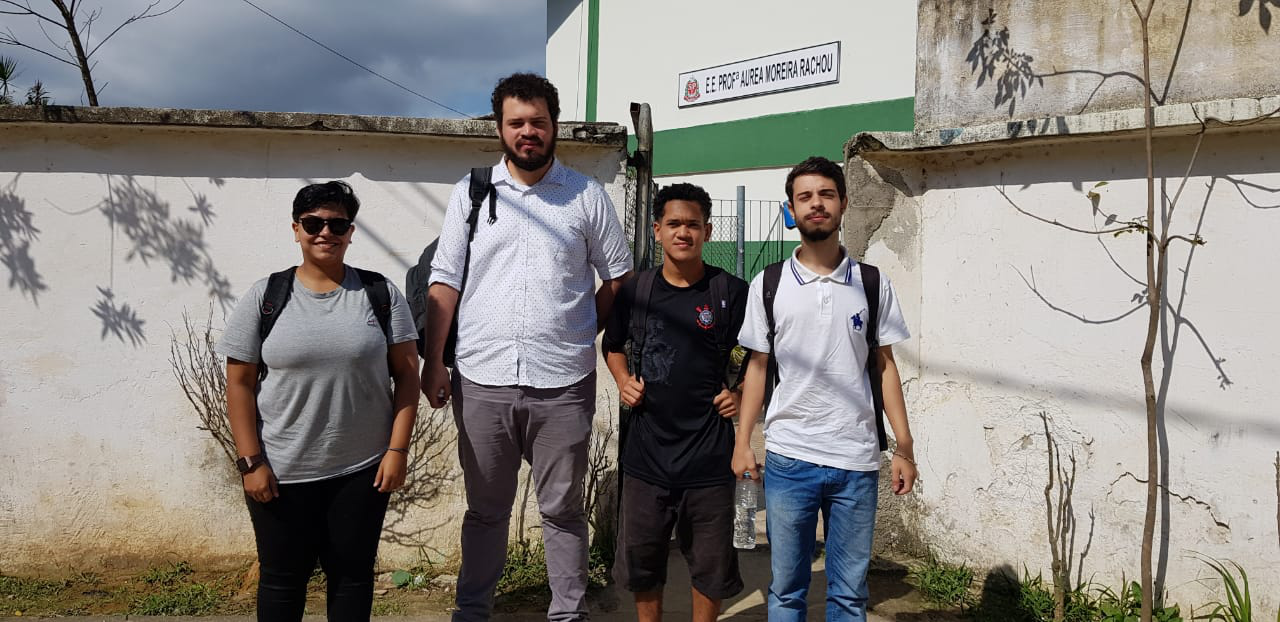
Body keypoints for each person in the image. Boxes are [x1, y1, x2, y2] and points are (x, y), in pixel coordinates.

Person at [420, 73, 633, 622]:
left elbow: (616, 281)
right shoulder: (470, 193)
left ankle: (567, 613)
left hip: (563, 382)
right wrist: (434, 362)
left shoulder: (587, 196)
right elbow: (445, 281)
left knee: (561, 509)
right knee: (486, 511)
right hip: (481, 379)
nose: (528, 132)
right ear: (500, 128)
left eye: (538, 121)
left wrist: (583, 327)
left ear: (555, 125)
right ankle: (473, 610)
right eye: (516, 123)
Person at [217, 180, 421, 621]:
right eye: (313, 223)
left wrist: (397, 451)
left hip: (362, 470)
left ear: (350, 232)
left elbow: (407, 375)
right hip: (281, 471)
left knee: (351, 577)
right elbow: (239, 383)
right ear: (296, 229)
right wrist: (250, 463)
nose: (324, 232)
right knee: (281, 580)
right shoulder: (265, 297)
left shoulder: (379, 294)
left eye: (337, 224)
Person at [732, 156, 918, 621]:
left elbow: (885, 366)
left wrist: (904, 446)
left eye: (826, 194)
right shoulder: (769, 284)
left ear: (844, 203)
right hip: (790, 457)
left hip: (856, 460)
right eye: (805, 197)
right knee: (788, 590)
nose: (816, 204)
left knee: (850, 594)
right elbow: (757, 368)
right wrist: (741, 442)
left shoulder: (871, 283)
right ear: (791, 210)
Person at [602, 183, 747, 622]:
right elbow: (612, 346)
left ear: (707, 231)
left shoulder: (730, 292)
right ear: (656, 230)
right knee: (644, 561)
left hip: (709, 458)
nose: (683, 232)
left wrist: (739, 393)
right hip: (646, 456)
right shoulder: (636, 290)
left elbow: (760, 357)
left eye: (693, 225)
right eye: (674, 224)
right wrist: (623, 380)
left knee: (711, 564)